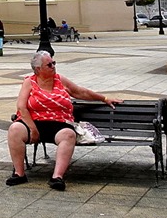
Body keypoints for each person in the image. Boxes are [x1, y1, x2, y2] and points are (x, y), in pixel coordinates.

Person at [6, 51, 123, 191]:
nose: (53, 66)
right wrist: (33, 129)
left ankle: (57, 177)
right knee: (14, 130)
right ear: (38, 69)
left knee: (69, 135)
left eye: (54, 63)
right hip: (34, 122)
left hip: (58, 123)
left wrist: (104, 98)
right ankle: (19, 173)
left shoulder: (60, 80)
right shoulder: (29, 82)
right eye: (49, 65)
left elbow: (80, 92)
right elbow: (21, 107)